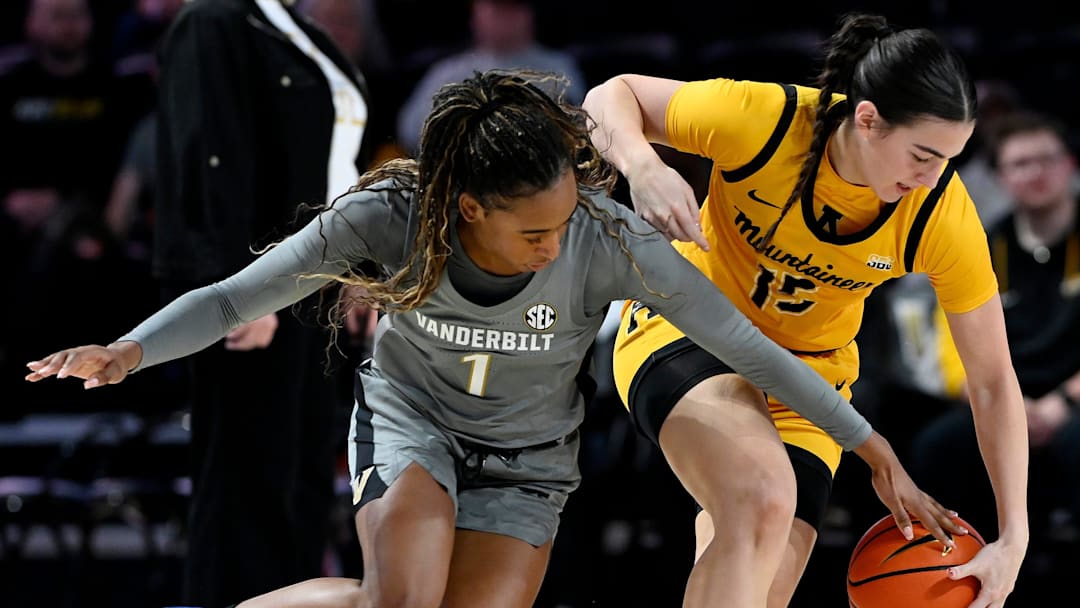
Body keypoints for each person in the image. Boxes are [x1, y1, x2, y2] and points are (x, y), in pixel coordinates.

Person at [26, 70, 958, 608]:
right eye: (534, 232)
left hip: (528, 459)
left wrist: (870, 446)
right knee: (404, 600)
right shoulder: (387, 215)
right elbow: (237, 296)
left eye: (565, 218)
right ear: (468, 208)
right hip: (414, 424)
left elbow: (748, 346)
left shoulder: (604, 237)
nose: (556, 244)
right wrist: (129, 350)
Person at [582, 12, 1029, 607]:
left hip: (809, 381)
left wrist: (1014, 537)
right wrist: (643, 167)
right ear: (867, 120)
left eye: (948, 159)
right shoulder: (766, 122)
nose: (931, 178)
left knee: (759, 582)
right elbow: (609, 96)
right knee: (762, 497)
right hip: (691, 331)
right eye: (922, 155)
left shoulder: (940, 215)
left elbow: (993, 380)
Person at [143, 0, 374, 605]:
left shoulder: (293, 27)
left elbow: (334, 168)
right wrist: (238, 293)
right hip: (257, 288)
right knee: (246, 484)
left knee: (300, 482)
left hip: (310, 288)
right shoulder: (214, 20)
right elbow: (209, 161)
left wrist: (355, 270)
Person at [910, 109, 1080, 553]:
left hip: (1071, 400)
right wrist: (1006, 405)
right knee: (937, 447)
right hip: (1007, 395)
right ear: (1002, 177)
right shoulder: (984, 244)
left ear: (1070, 165)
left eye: (1046, 160)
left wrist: (1061, 404)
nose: (1035, 173)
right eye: (1020, 164)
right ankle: (956, 570)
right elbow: (953, 345)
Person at [395, 0, 586, 156]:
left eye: (511, 8)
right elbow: (410, 131)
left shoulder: (559, 68)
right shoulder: (447, 73)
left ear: (528, 13)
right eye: (496, 8)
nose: (504, 17)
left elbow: (576, 130)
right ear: (475, 13)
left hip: (543, 171)